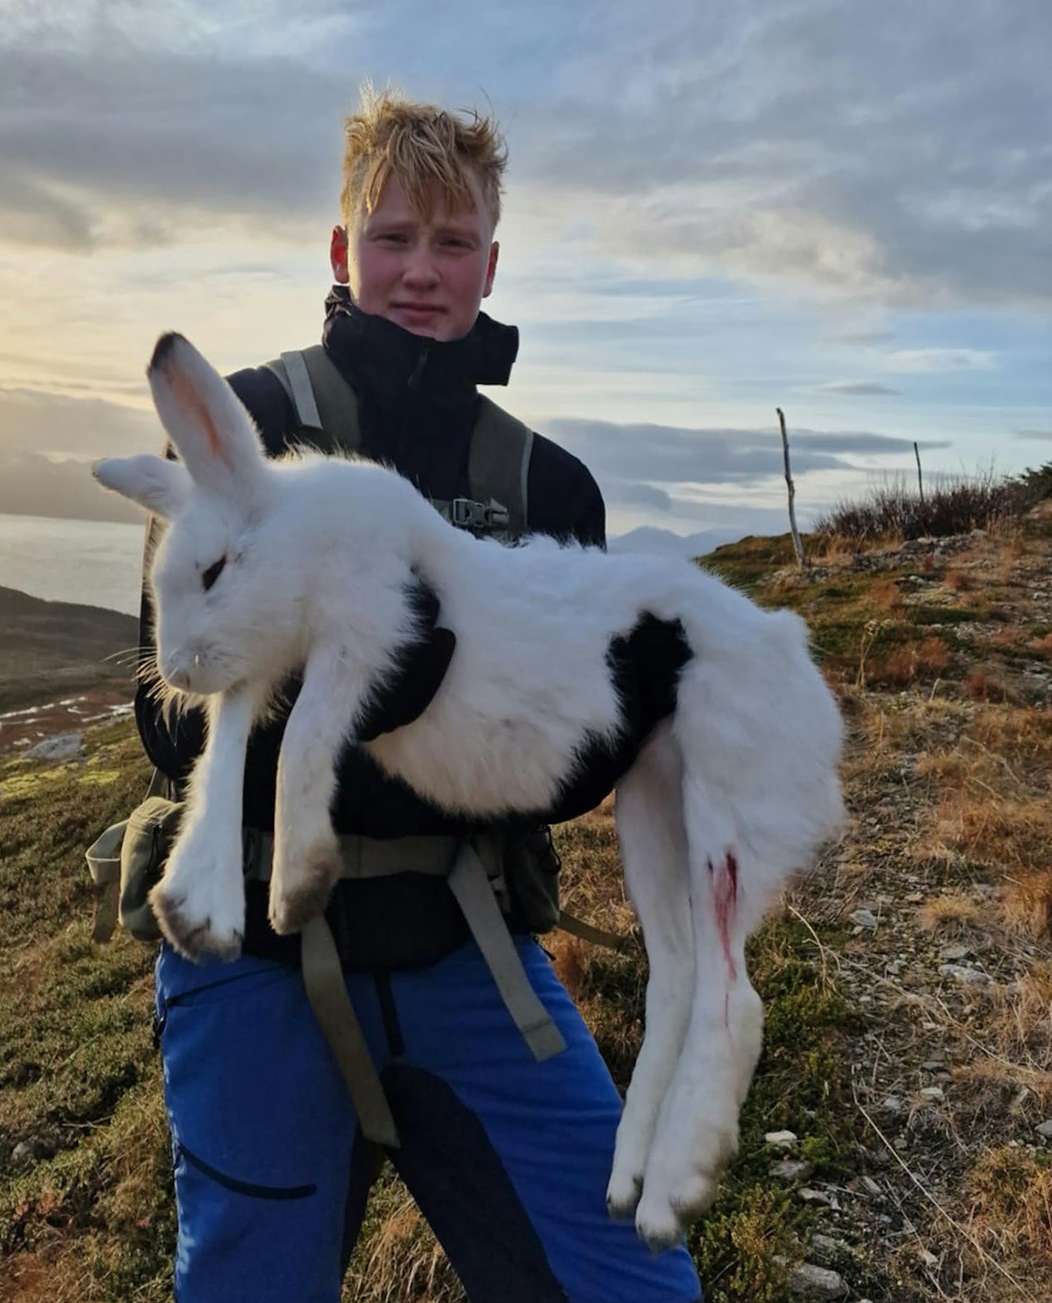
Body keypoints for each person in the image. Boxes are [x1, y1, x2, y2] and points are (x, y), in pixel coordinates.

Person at [133, 87, 703, 1303]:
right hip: (256, 967)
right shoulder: (250, 426)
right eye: (391, 239)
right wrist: (381, 684)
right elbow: (161, 717)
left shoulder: (549, 486)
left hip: (466, 947)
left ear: (491, 262)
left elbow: (573, 762)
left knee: (634, 1284)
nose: (420, 273)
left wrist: (617, 713)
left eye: (451, 245)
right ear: (341, 250)